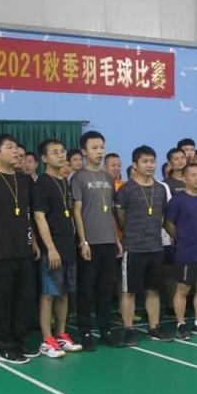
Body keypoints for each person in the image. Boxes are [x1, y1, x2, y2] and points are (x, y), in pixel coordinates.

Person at [0, 134, 40, 364]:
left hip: (23, 250)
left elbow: (28, 215)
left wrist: (34, 241)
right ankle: (5, 346)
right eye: (9, 147)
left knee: (24, 299)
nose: (15, 151)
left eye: (16, 147)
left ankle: (19, 340)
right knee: (1, 301)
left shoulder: (25, 181)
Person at [71, 131, 123, 350]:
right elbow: (77, 211)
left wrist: (116, 239)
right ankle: (85, 332)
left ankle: (105, 330)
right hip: (89, 243)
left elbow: (109, 210)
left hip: (108, 242)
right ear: (84, 151)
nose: (99, 151)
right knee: (86, 290)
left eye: (102, 147)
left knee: (105, 289)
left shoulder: (108, 178)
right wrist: (83, 241)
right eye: (94, 147)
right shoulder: (78, 178)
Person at [115, 146, 172, 345]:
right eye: (145, 161)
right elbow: (120, 215)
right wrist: (131, 233)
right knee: (129, 292)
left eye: (152, 161)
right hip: (133, 248)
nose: (150, 165)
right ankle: (128, 330)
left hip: (156, 247)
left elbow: (163, 216)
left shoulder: (160, 189)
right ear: (135, 165)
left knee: (153, 290)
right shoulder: (126, 189)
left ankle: (154, 327)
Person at [33, 139, 84, 358]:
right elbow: (39, 217)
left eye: (62, 151)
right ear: (44, 158)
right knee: (48, 295)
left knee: (64, 293)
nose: (61, 155)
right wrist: (50, 248)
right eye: (55, 152)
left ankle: (61, 334)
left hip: (68, 245)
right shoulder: (42, 184)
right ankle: (47, 340)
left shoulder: (64, 181)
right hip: (52, 248)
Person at [164, 163, 197, 340]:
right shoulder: (177, 200)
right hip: (186, 253)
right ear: (185, 178)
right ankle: (180, 324)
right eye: (193, 175)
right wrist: (181, 238)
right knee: (183, 289)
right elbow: (168, 223)